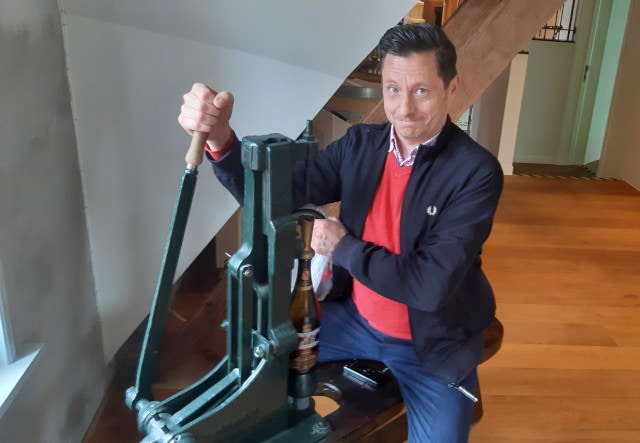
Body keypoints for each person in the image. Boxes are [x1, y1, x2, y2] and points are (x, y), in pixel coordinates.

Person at [178, 22, 503, 443]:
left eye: (421, 90)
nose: (404, 108)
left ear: (451, 87)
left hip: (433, 345)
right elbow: (277, 195)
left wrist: (343, 246)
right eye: (392, 89)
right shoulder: (359, 146)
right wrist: (222, 141)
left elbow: (428, 287)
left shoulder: (475, 172)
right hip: (354, 320)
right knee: (260, 371)